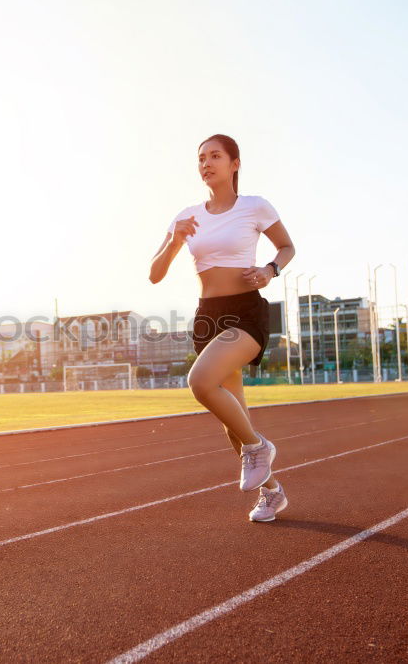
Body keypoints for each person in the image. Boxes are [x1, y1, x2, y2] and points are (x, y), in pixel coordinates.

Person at [149, 133, 295, 523]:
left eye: (215, 156)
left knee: (200, 382)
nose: (206, 163)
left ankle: (259, 447)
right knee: (235, 420)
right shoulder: (185, 217)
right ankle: (272, 492)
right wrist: (175, 241)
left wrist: (269, 270)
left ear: (235, 163)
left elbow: (286, 247)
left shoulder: (255, 207)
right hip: (207, 318)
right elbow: (154, 274)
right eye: (201, 158)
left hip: (245, 314)